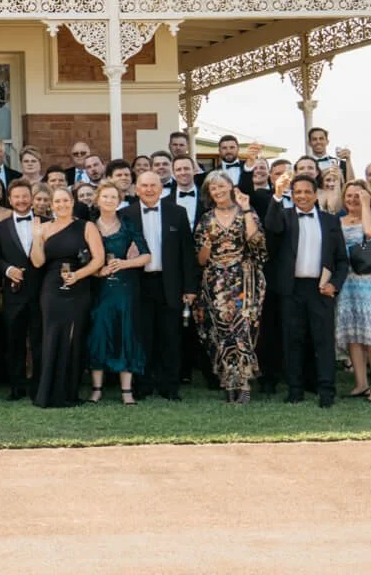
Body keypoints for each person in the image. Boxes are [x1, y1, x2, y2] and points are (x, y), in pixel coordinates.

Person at [264, 174, 348, 407]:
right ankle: (295, 389)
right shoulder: (284, 216)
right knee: (293, 340)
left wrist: (335, 284)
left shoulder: (330, 221)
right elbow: (270, 227)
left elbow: (342, 259)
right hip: (291, 289)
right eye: (297, 192)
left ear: (315, 194)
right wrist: (277, 194)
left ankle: (326, 391)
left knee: (323, 341)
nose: (301, 196)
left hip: (320, 289)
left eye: (306, 191)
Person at [122, 171, 196, 401]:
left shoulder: (177, 212)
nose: (149, 189)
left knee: (170, 336)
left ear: (161, 188)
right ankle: (143, 385)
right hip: (138, 282)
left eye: (153, 185)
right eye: (144, 185)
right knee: (142, 335)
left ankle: (169, 386)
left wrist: (190, 288)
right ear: (136, 189)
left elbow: (187, 253)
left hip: (169, 282)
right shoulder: (125, 214)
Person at [196, 170, 267, 404]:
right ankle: (229, 381)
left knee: (243, 330)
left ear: (230, 186)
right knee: (222, 332)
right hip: (216, 282)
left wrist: (246, 209)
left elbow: (257, 243)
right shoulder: (206, 219)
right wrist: (208, 242)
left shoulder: (246, 212)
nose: (217, 191)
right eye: (212, 188)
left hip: (244, 278)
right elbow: (201, 260)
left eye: (220, 186)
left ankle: (244, 383)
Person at [30, 186, 104, 408]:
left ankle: (69, 391)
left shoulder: (87, 226)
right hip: (51, 288)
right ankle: (48, 393)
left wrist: (78, 275)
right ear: (51, 205)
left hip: (79, 286)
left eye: (65, 200)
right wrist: (35, 238)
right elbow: (37, 262)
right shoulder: (43, 229)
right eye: (57, 202)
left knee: (74, 336)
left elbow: (98, 259)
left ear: (72, 202)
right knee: (51, 335)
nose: (61, 205)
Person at [85, 181, 146, 406]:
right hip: (98, 289)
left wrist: (124, 264)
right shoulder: (89, 226)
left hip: (125, 288)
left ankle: (126, 391)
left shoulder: (128, 224)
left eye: (113, 197)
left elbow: (146, 255)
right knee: (98, 334)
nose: (109, 200)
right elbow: (82, 258)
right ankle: (96, 389)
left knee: (125, 334)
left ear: (119, 201)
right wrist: (97, 270)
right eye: (105, 196)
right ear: (98, 199)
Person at [0, 179, 43, 401]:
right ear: (9, 200)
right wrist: (8, 269)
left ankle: (38, 384)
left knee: (39, 340)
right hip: (14, 292)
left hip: (41, 291)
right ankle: (16, 386)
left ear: (31, 198)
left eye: (25, 196)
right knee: (14, 341)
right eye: (16, 197)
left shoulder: (46, 223)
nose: (21, 200)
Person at [337, 181, 371, 401]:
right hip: (346, 280)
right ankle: (360, 383)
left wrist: (366, 204)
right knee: (353, 333)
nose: (352, 200)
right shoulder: (338, 221)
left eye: (357, 196)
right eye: (349, 196)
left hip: (370, 281)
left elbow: (369, 232)